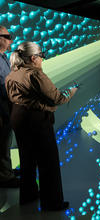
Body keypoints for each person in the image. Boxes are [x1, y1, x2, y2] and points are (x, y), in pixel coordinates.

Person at [5, 41, 78, 210]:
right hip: (36, 120)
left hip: (17, 118)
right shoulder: (36, 75)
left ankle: (28, 195)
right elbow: (57, 98)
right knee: (48, 162)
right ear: (33, 58)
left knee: (27, 159)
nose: (42, 60)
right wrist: (72, 91)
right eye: (42, 56)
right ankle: (52, 203)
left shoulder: (11, 75)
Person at [0, 25, 19, 188]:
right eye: (7, 36)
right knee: (2, 141)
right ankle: (5, 176)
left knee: (6, 140)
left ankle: (6, 171)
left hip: (7, 105)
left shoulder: (4, 57)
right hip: (2, 107)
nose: (10, 40)